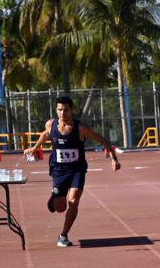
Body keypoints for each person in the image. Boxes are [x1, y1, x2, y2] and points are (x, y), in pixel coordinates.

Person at [23, 96, 122, 248]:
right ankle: (54, 197)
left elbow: (103, 140)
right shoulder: (51, 124)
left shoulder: (80, 128)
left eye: (66, 110)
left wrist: (114, 159)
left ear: (71, 110)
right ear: (56, 110)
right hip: (59, 170)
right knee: (60, 208)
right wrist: (34, 148)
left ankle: (63, 235)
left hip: (77, 170)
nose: (63, 113)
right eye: (60, 110)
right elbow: (45, 134)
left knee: (73, 201)